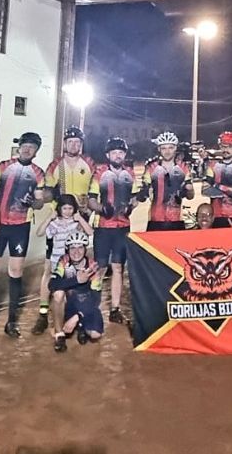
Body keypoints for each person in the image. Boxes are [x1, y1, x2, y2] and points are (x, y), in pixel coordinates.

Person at [0, 132, 47, 337]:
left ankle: (11, 322)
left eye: (32, 147)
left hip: (20, 227)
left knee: (16, 271)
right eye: (24, 145)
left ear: (36, 151)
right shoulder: (2, 167)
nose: (27, 149)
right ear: (19, 147)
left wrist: (34, 202)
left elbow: (39, 202)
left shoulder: (38, 173)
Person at [35, 126, 95, 333]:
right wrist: (43, 198)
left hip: (80, 220)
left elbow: (95, 190)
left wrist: (89, 205)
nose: (74, 145)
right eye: (70, 142)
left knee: (77, 266)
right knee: (49, 268)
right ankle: (43, 312)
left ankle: (75, 312)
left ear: (82, 144)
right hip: (59, 222)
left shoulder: (89, 163)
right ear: (65, 144)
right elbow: (46, 193)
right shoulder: (55, 165)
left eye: (77, 142)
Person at [88, 137, 143, 324]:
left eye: (121, 153)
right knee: (100, 268)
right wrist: (101, 209)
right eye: (114, 153)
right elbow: (91, 199)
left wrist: (132, 206)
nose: (118, 156)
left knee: (118, 268)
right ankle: (92, 308)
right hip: (103, 227)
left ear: (124, 155)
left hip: (123, 227)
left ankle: (115, 309)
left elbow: (134, 198)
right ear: (108, 155)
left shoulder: (130, 173)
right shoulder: (99, 173)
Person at [34, 194, 93, 334]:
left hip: (73, 263)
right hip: (58, 263)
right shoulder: (55, 223)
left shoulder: (76, 223)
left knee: (74, 291)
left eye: (70, 208)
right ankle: (52, 320)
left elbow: (90, 232)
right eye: (64, 208)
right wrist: (50, 217)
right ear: (59, 209)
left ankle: (75, 319)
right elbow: (39, 233)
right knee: (58, 292)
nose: (67, 211)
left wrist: (80, 218)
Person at [49, 231, 105, 352]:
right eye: (72, 248)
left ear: (85, 250)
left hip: (87, 306)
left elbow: (96, 299)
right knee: (58, 293)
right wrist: (77, 280)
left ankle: (81, 326)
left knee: (95, 334)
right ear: (67, 250)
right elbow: (52, 284)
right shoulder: (63, 261)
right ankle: (60, 336)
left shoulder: (92, 266)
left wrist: (77, 316)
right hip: (70, 303)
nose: (76, 252)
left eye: (80, 247)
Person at [143, 132, 194, 231]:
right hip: (155, 219)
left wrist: (189, 190)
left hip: (177, 219)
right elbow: (142, 195)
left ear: (175, 148)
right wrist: (144, 191)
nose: (167, 151)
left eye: (170, 147)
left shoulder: (184, 167)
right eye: (164, 148)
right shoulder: (151, 167)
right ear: (159, 149)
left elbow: (190, 196)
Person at [204, 131, 232, 227]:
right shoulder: (213, 165)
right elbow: (205, 190)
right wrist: (230, 190)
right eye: (223, 146)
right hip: (215, 217)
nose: (225, 150)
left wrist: (217, 186)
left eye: (229, 147)